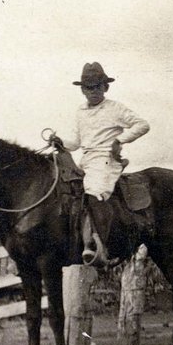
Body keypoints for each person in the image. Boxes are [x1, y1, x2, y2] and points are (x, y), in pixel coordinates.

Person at [50, 62, 150, 265]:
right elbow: (76, 142)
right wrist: (61, 142)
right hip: (86, 159)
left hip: (106, 159)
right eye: (88, 87)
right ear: (82, 90)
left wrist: (119, 140)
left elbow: (142, 124)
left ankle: (98, 245)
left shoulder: (115, 108)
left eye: (97, 86)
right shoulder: (80, 112)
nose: (93, 91)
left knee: (93, 190)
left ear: (106, 87)